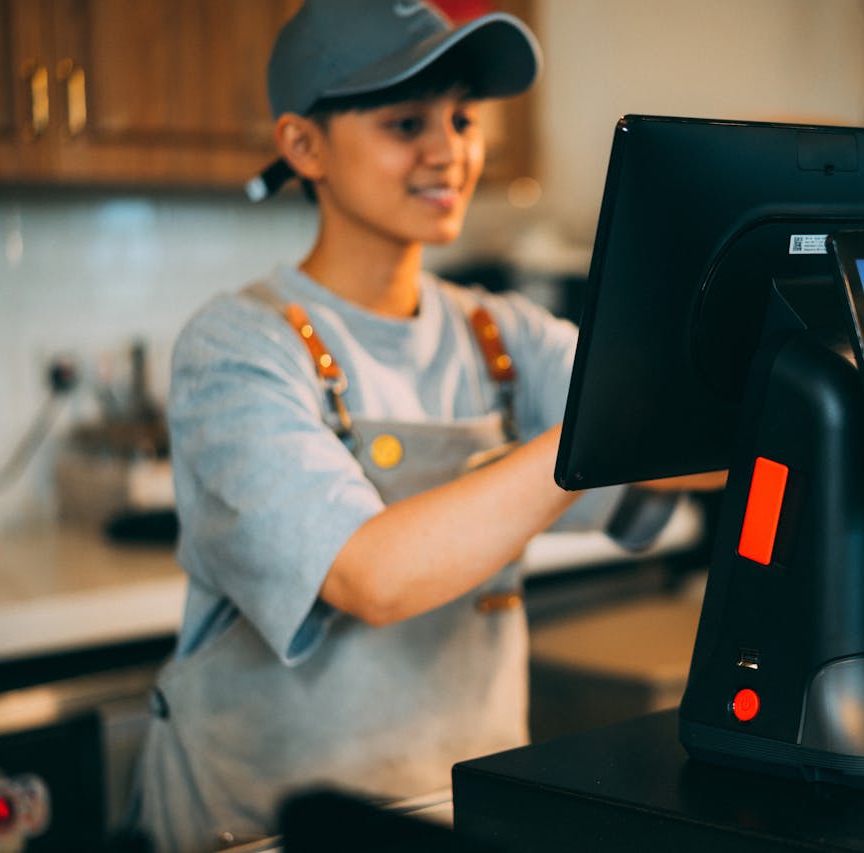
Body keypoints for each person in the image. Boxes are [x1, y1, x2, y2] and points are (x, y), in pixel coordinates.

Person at [130, 3, 695, 850]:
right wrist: (583, 437)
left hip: (460, 815)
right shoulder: (238, 345)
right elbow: (371, 577)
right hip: (260, 830)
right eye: (405, 122)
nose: (450, 151)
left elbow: (700, 441)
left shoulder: (504, 336)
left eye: (462, 118)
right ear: (303, 146)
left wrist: (858, 331)